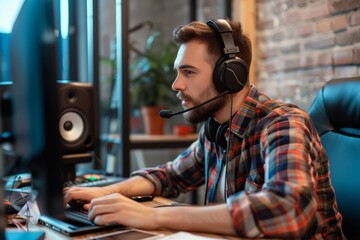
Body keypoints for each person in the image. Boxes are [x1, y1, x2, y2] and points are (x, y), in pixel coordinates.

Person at [64, 19, 345, 239]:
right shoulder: (216, 129)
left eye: (188, 72)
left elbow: (289, 210)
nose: (176, 84)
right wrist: (107, 192)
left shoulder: (283, 123)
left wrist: (154, 216)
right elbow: (170, 176)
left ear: (230, 75)